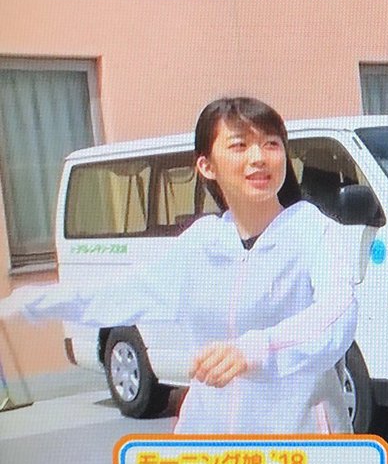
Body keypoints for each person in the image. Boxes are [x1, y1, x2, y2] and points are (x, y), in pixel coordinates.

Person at [0, 96, 358, 433]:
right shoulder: (200, 244)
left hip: (300, 446)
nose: (259, 157)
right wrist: (35, 302)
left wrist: (257, 350)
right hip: (214, 447)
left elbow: (337, 312)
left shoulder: (313, 231)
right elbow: (122, 293)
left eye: (271, 144)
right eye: (239, 146)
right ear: (206, 166)